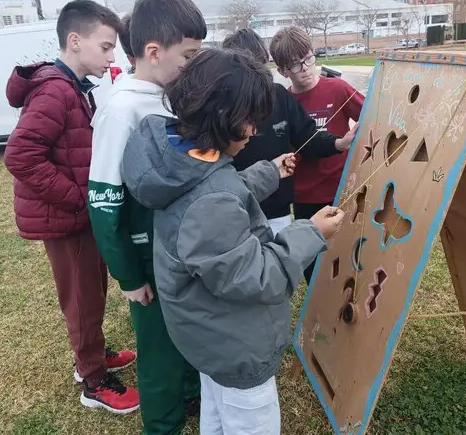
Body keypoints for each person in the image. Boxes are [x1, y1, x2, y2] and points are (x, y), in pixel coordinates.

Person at [120, 48, 345, 435]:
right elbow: (257, 276)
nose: (255, 132)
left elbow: (218, 190)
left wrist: (268, 172)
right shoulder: (210, 202)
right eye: (251, 121)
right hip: (237, 346)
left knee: (217, 411)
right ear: (224, 116)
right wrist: (311, 232)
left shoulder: (181, 157)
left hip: (209, 337)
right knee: (247, 420)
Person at [3, 0, 140, 413]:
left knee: (92, 292)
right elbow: (21, 155)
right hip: (68, 220)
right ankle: (94, 381)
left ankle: (92, 354)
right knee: (82, 299)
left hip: (79, 219)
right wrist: (79, 199)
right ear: (75, 41)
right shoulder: (56, 91)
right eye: (106, 46)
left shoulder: (73, 87)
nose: (112, 57)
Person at [87, 0, 206, 434]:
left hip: (178, 250)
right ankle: (162, 424)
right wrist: (129, 277)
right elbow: (104, 203)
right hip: (149, 262)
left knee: (187, 333)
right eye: (189, 56)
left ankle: (191, 394)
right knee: (159, 351)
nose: (193, 65)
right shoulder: (121, 110)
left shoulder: (165, 95)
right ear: (154, 52)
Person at [223, 28, 358, 235]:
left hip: (278, 212)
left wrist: (338, 143)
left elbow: (308, 137)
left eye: (259, 68)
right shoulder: (220, 108)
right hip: (236, 211)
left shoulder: (279, 97)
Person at [269, 26, 365, 283]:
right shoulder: (283, 103)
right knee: (314, 267)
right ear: (283, 71)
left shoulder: (338, 89)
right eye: (295, 65)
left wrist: (354, 139)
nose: (305, 68)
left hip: (341, 189)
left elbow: (372, 114)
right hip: (305, 197)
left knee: (349, 257)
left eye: (308, 58)